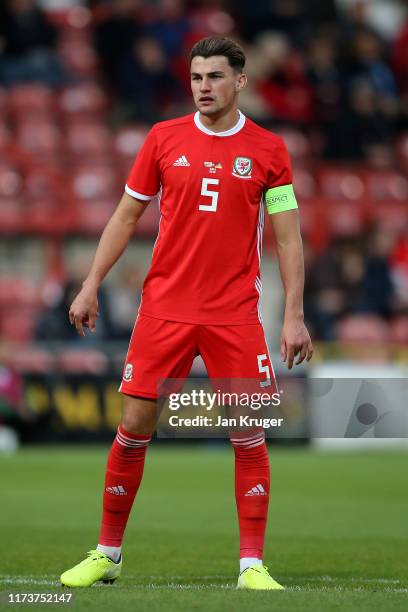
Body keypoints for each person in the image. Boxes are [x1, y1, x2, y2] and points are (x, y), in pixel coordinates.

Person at [61, 36, 313, 590]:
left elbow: (289, 241)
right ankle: (107, 553)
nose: (204, 87)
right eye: (197, 77)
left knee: (247, 432)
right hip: (164, 310)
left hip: (235, 313)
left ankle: (251, 566)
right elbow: (126, 217)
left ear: (240, 82)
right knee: (133, 426)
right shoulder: (162, 138)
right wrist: (90, 284)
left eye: (216, 77)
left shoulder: (270, 150)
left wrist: (294, 314)